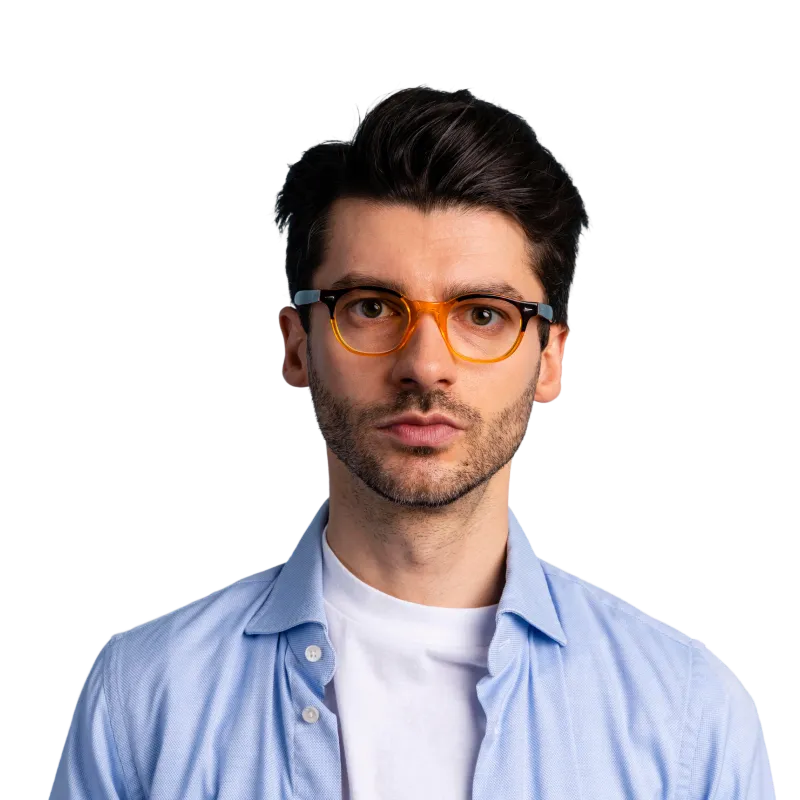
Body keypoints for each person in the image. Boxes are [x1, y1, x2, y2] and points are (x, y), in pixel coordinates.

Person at [49, 84, 775, 799]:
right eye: (370, 307)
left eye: (483, 315)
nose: (425, 365)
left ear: (551, 359)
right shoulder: (143, 700)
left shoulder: (688, 716)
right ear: (296, 346)